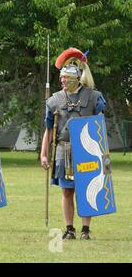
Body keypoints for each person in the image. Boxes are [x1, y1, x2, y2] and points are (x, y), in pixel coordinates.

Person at [40, 47, 106, 240]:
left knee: (86, 189)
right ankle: (70, 229)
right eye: (61, 78)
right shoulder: (54, 100)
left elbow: (99, 126)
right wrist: (44, 154)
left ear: (77, 77)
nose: (63, 81)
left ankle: (85, 230)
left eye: (66, 78)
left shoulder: (94, 97)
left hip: (87, 150)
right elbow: (49, 130)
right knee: (67, 191)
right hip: (63, 149)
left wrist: (103, 153)